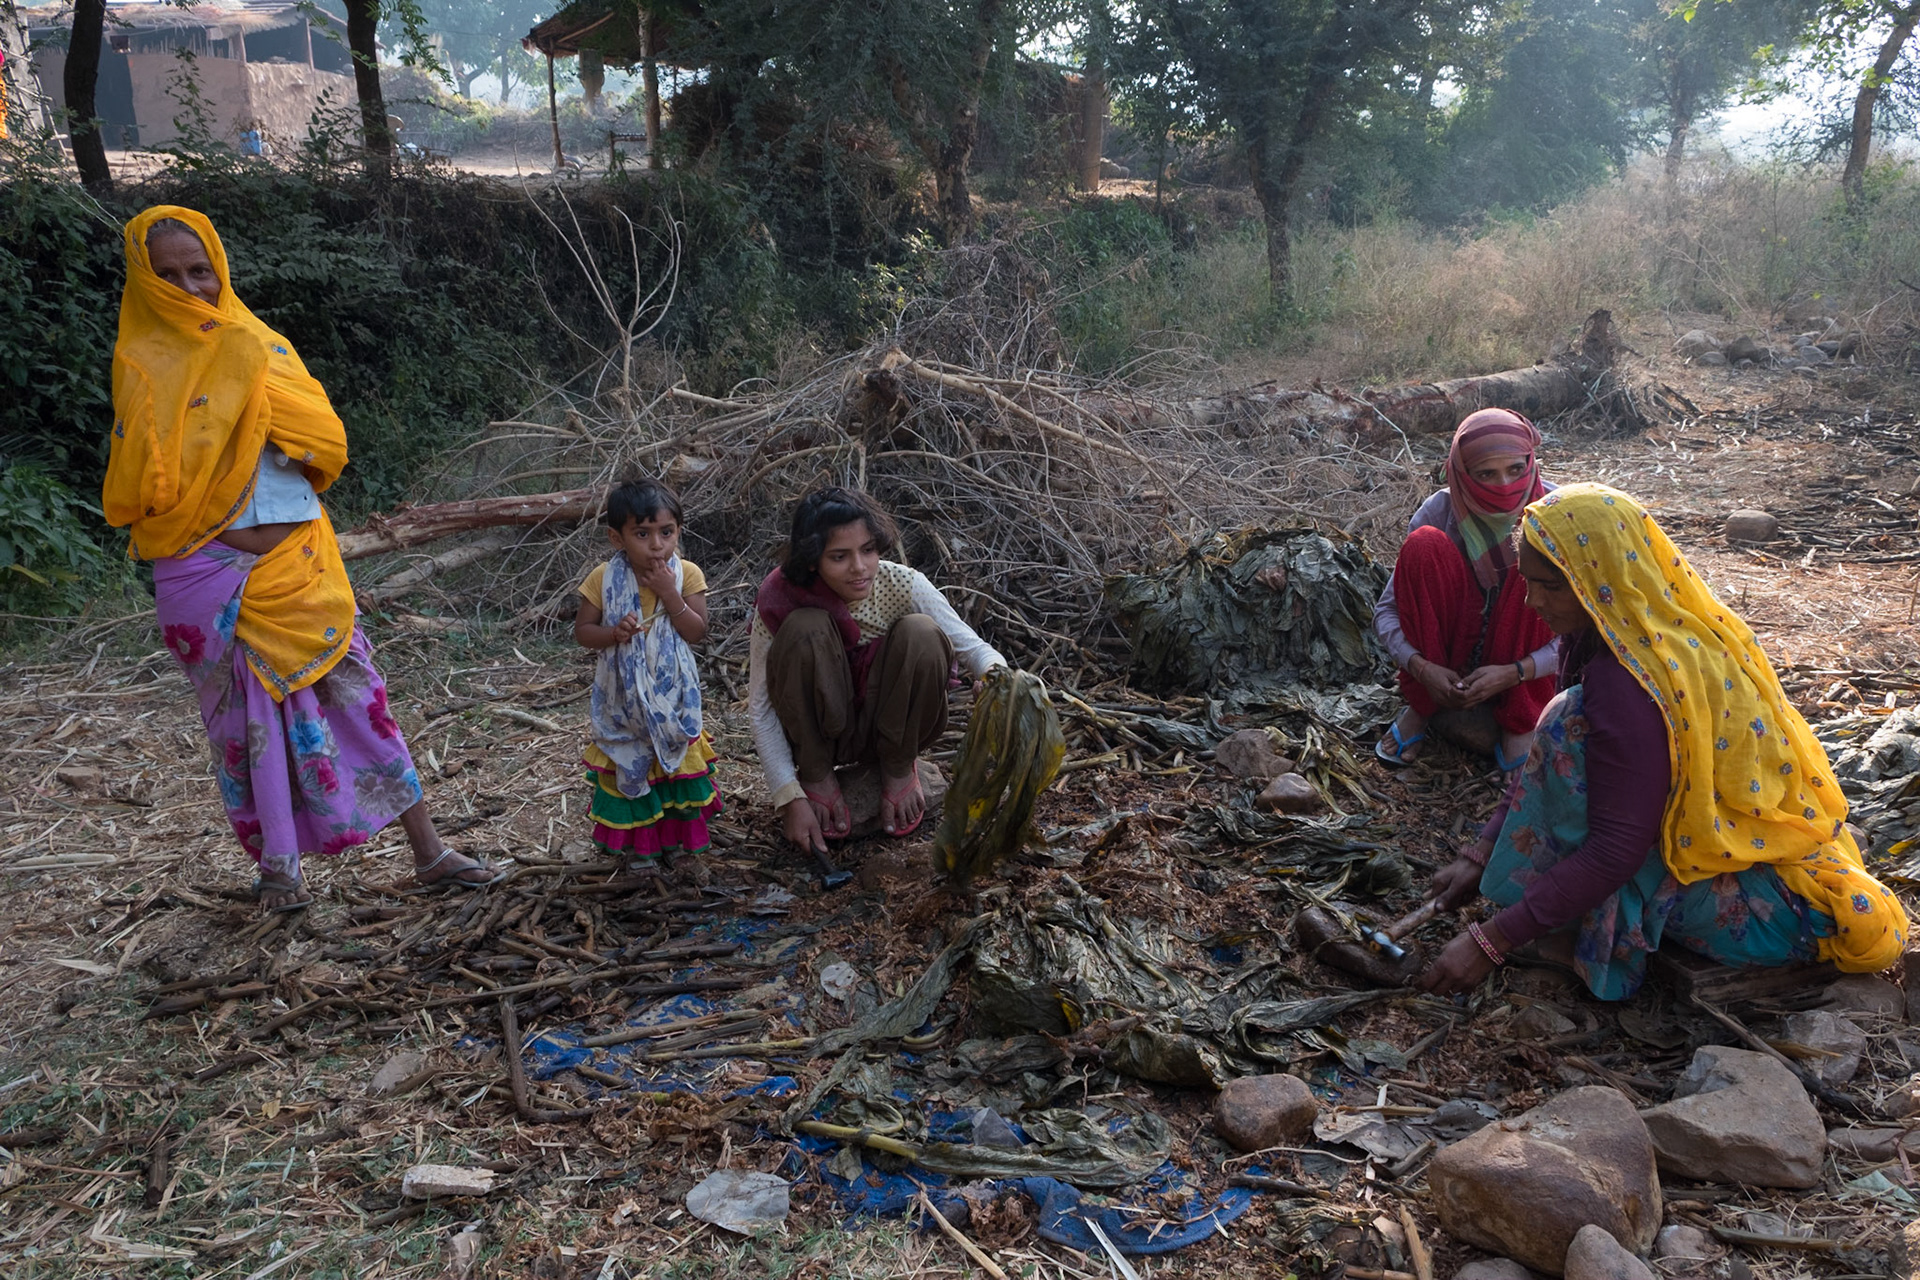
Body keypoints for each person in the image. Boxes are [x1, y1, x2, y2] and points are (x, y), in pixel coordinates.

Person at [102, 206, 498, 912]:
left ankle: (430, 853)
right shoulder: (141, 365)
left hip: (297, 570)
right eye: (167, 274)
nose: (189, 287)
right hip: (203, 577)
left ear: (219, 271)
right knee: (243, 734)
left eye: (201, 271)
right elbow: (140, 486)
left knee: (361, 702)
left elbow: (325, 441)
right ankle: (281, 873)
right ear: (142, 279)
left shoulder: (261, 346)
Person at [1418, 483, 1908, 1000]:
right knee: (1566, 725)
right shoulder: (1661, 634)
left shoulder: (1624, 682)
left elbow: (1616, 850)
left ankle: (1579, 933)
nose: (1531, 601)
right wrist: (1479, 854)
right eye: (1527, 581)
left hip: (1775, 919)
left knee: (1567, 720)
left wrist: (1491, 940)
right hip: (1745, 856)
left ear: (1600, 582)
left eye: (1550, 587)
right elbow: (1549, 765)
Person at [748, 487, 1005, 856]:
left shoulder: (900, 582)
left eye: (868, 550)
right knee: (805, 628)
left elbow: (973, 648)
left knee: (922, 632)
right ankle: (818, 776)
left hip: (890, 726)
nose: (859, 567)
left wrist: (995, 677)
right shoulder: (779, 598)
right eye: (839, 556)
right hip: (818, 733)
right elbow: (760, 708)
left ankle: (900, 768)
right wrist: (789, 797)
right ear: (811, 561)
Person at [1374, 408, 1561, 770]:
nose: (1504, 486)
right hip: (1447, 655)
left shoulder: (1557, 509)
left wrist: (1517, 672)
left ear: (1530, 462)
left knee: (1537, 539)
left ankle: (1521, 720)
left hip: (1523, 661)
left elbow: (1589, 625)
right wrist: (1423, 669)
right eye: (1486, 474)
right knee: (1424, 544)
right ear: (1462, 473)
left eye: (1515, 470)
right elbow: (1387, 611)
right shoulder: (1439, 511)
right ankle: (1424, 704)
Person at [573, 477, 722, 863]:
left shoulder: (686, 574)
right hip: (623, 697)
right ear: (616, 538)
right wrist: (612, 633)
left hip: (671, 693)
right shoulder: (602, 578)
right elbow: (583, 633)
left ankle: (678, 844)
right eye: (642, 533)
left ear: (678, 532)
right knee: (630, 765)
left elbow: (696, 631)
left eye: (666, 532)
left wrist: (671, 594)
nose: (657, 544)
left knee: (673, 764)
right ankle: (640, 851)